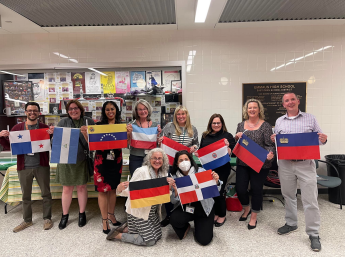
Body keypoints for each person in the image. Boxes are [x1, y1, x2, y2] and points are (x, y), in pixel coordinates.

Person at [271, 92, 327, 252]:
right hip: (285, 165)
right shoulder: (279, 121)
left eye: (292, 99)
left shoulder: (310, 118)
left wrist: (323, 139)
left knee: (310, 200)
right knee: (289, 195)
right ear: (283, 104)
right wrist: (274, 139)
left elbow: (319, 139)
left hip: (305, 164)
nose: (290, 102)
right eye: (286, 101)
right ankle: (291, 223)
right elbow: (279, 142)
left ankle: (313, 233)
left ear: (298, 101)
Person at [0, 102, 54, 232]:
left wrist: (52, 134)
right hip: (24, 167)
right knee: (25, 196)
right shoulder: (17, 128)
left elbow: (51, 144)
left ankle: (47, 218)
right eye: (29, 110)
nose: (32, 113)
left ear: (39, 112)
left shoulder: (44, 127)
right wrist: (2, 137)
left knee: (46, 193)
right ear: (25, 112)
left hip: (42, 165)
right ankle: (27, 220)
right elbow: (9, 147)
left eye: (35, 110)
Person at [106, 148, 174, 246]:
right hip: (139, 210)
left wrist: (170, 188)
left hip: (152, 212)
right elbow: (130, 191)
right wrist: (119, 188)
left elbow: (164, 196)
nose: (157, 161)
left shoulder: (164, 174)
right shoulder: (141, 171)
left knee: (158, 235)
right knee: (150, 241)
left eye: (160, 158)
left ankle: (129, 228)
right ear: (149, 159)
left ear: (163, 161)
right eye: (154, 158)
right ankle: (117, 235)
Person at [235, 99, 275, 230]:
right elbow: (237, 144)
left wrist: (270, 154)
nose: (252, 110)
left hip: (260, 164)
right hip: (242, 163)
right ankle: (246, 208)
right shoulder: (241, 125)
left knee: (257, 190)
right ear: (246, 110)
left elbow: (271, 145)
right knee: (240, 189)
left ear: (259, 110)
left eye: (254, 108)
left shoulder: (266, 126)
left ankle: (253, 216)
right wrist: (236, 138)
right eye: (249, 108)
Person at [55, 99, 95, 230]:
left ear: (80, 109)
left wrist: (86, 134)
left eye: (75, 108)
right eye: (70, 109)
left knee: (82, 187)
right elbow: (56, 143)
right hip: (66, 160)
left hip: (82, 158)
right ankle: (64, 215)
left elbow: (95, 143)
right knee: (67, 189)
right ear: (67, 112)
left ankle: (81, 214)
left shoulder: (89, 121)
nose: (73, 111)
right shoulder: (62, 122)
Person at [169, 150, 221, 246]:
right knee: (174, 219)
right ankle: (186, 227)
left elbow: (216, 190)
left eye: (186, 159)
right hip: (187, 208)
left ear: (190, 160)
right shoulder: (175, 177)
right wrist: (176, 191)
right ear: (176, 163)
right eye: (181, 160)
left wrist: (216, 181)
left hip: (204, 208)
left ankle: (200, 224)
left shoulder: (201, 171)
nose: (184, 162)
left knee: (204, 241)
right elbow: (172, 201)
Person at [158, 105, 199, 227]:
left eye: (183, 114)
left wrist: (195, 147)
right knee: (169, 188)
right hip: (170, 163)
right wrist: (159, 141)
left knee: (185, 187)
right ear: (175, 116)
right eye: (178, 114)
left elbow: (197, 144)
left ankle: (184, 212)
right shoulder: (169, 127)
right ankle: (169, 215)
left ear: (187, 115)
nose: (181, 116)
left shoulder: (193, 129)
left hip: (185, 165)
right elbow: (162, 141)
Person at [197, 114, 235, 227]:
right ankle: (215, 213)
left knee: (219, 191)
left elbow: (233, 150)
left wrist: (229, 148)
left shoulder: (227, 136)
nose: (216, 125)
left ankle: (222, 215)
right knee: (211, 191)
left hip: (222, 168)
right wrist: (197, 152)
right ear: (210, 124)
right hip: (209, 168)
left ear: (222, 124)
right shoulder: (205, 135)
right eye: (214, 123)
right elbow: (201, 149)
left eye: (218, 123)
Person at [94, 101, 123, 234]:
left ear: (116, 110)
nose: (110, 111)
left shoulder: (121, 125)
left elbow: (127, 143)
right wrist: (85, 133)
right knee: (102, 190)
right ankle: (104, 220)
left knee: (113, 189)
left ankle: (111, 214)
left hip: (116, 161)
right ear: (104, 112)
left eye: (112, 109)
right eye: (107, 109)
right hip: (101, 161)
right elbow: (91, 144)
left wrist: (128, 133)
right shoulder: (98, 125)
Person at [127, 99, 161, 177]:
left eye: (145, 109)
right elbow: (127, 144)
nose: (143, 111)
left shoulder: (155, 125)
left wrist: (159, 134)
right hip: (135, 157)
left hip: (152, 158)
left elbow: (158, 144)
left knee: (151, 180)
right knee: (136, 180)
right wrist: (128, 134)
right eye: (140, 109)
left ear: (148, 110)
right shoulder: (131, 125)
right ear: (136, 111)